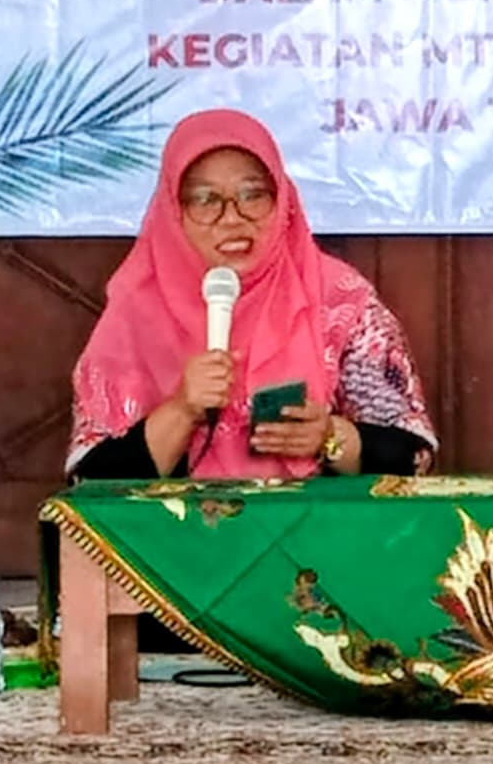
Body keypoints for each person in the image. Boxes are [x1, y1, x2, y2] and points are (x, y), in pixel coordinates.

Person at [70, 110, 437, 485]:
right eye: (204, 199)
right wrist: (182, 411)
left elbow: (414, 456)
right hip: (169, 538)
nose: (232, 218)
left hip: (319, 536)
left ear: (283, 200)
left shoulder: (340, 301)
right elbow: (88, 481)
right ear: (172, 212)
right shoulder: (135, 312)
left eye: (253, 194)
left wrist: (329, 438)